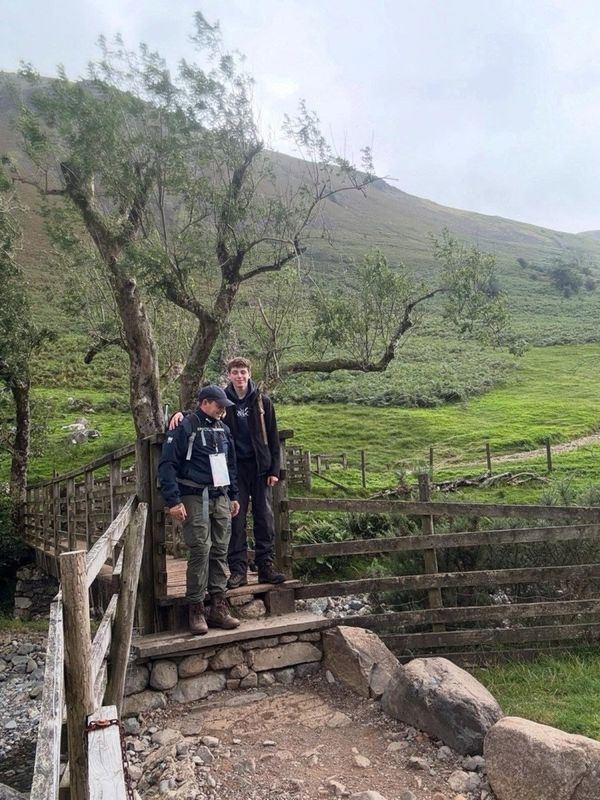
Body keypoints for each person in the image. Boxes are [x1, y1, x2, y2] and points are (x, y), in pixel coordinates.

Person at [169, 356, 286, 589]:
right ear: (229, 375)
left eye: (243, 372)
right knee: (236, 518)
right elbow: (203, 410)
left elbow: (273, 436)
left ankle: (266, 567)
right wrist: (180, 414)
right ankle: (238, 571)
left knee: (265, 518)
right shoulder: (224, 400)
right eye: (235, 372)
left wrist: (274, 469)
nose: (239, 376)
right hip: (232, 469)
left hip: (259, 468)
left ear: (249, 374)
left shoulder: (263, 402)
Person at [158, 385, 241, 635]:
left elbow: (231, 464)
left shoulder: (224, 430)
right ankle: (195, 607)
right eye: (219, 405)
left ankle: (218, 606)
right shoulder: (186, 426)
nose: (223, 409)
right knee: (200, 549)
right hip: (194, 495)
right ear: (205, 402)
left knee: (220, 549)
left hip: (221, 496)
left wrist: (234, 495)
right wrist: (173, 501)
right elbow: (167, 464)